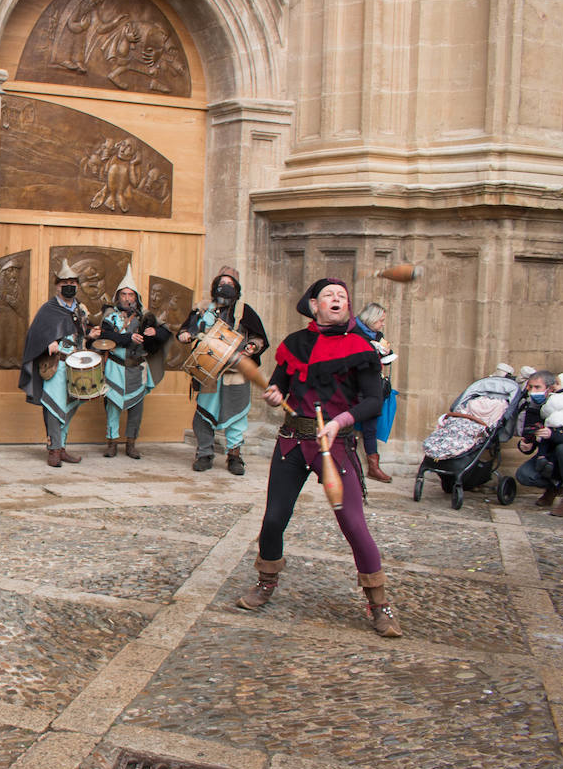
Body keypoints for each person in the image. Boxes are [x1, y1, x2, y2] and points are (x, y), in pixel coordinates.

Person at [243, 278, 401, 638]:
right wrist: (274, 393)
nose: (336, 299)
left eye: (342, 296)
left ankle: (379, 603)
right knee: (274, 518)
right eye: (328, 295)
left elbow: (373, 401)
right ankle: (266, 581)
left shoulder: (362, 347)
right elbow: (280, 383)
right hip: (292, 441)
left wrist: (340, 421)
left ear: (347, 306)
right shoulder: (295, 344)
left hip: (336, 444)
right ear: (313, 305)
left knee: (352, 523)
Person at [176, 266, 267, 475]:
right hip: (209, 372)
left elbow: (258, 337)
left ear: (237, 289)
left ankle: (234, 456)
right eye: (221, 284)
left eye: (230, 285)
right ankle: (204, 453)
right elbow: (187, 329)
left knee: (237, 416)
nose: (224, 288)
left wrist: (252, 347)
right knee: (202, 415)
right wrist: (184, 335)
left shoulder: (245, 311)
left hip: (235, 373)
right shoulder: (202, 309)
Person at [20, 260, 101, 467]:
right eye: (65, 282)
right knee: (53, 406)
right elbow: (37, 333)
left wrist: (90, 334)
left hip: (77, 365)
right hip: (57, 365)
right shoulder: (49, 309)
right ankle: (54, 449)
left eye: (73, 282)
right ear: (57, 285)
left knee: (70, 405)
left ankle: (61, 446)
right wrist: (48, 341)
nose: (70, 285)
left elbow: (81, 331)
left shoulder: (81, 309)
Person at [99, 267, 169, 459]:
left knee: (136, 408)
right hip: (115, 367)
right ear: (118, 296)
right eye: (123, 294)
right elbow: (106, 336)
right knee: (112, 405)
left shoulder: (145, 317)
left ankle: (131, 443)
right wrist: (129, 338)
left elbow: (165, 333)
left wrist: (154, 333)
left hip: (137, 368)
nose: (127, 298)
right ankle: (111, 442)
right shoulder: (109, 316)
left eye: (130, 294)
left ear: (136, 297)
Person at [352, 303, 396, 482]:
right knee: (347, 426)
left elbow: (383, 361)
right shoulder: (353, 332)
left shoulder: (377, 335)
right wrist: (371, 351)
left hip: (372, 387)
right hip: (354, 387)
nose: (383, 324)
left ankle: (373, 467)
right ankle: (347, 464)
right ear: (371, 319)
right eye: (381, 320)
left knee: (371, 427)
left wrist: (386, 353)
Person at [515, 370, 562, 508]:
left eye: (537, 387)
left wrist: (552, 435)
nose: (533, 391)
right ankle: (555, 487)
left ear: (550, 388)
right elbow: (530, 437)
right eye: (530, 387)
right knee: (524, 475)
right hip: (546, 456)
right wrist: (525, 444)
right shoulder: (533, 407)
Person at [536, 372, 563, 517]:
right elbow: (541, 414)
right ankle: (554, 486)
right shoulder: (559, 389)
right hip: (555, 448)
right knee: (525, 475)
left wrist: (556, 435)